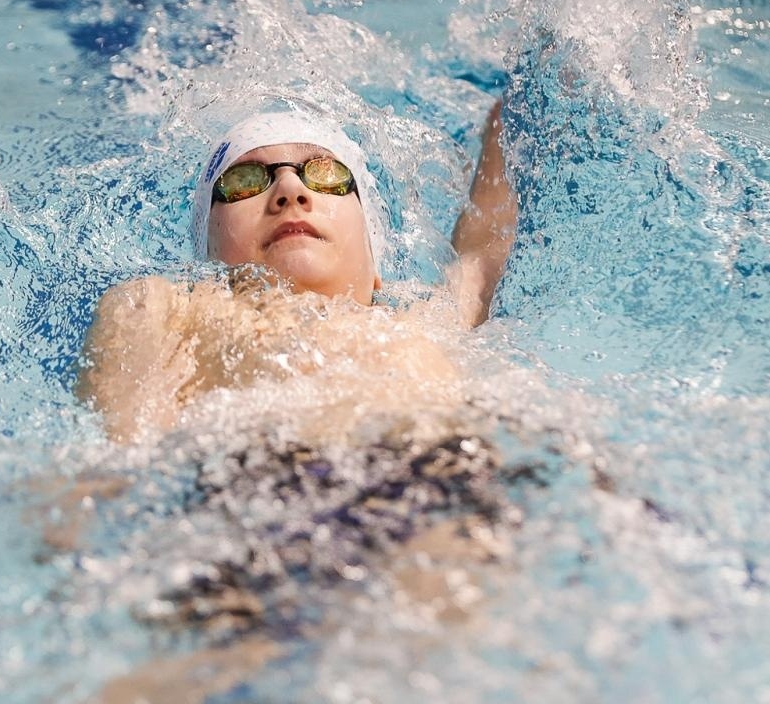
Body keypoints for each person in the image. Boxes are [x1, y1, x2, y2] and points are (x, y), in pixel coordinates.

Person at [74, 97, 517, 448]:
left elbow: (482, 246)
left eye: (326, 176)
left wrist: (511, 112)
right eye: (245, 180)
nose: (290, 189)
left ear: (373, 252)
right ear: (207, 248)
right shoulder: (164, 310)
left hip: (451, 489)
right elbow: (123, 457)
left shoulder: (431, 317)